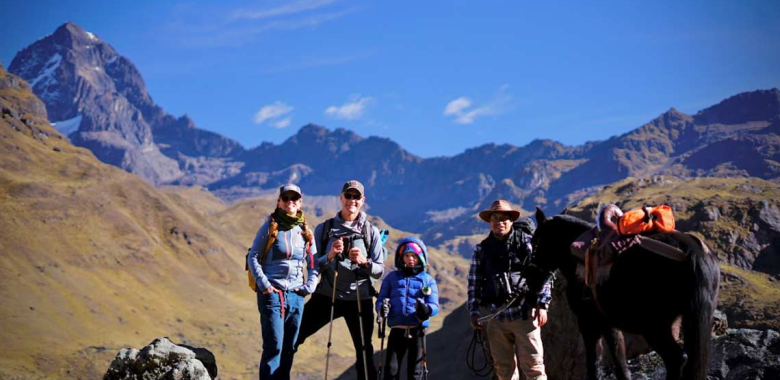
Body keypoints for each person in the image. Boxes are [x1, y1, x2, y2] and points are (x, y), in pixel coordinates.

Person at [293, 180, 385, 380]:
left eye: (356, 197)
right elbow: (313, 264)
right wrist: (330, 255)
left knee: (364, 351)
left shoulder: (371, 232)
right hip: (326, 295)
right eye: (348, 196)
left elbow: (379, 271)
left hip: (359, 299)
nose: (351, 200)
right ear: (341, 198)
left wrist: (363, 261)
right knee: (294, 336)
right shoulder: (324, 229)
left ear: (363, 201)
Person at [467, 200, 553, 380]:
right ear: (489, 222)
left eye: (504, 218)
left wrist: (542, 304)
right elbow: (474, 283)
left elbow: (543, 273)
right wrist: (473, 312)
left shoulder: (527, 243)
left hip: (526, 315)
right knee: (503, 370)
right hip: (495, 318)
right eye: (495, 218)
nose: (500, 222)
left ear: (511, 220)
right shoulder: (481, 249)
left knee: (534, 367)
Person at [247, 184, 319, 380]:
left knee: (289, 348)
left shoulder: (305, 230)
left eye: (294, 199)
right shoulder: (271, 226)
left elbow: (313, 262)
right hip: (273, 294)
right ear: (279, 202)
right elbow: (253, 256)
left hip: (296, 296)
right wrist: (265, 285)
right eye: (285, 199)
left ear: (300, 203)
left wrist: (309, 286)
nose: (290, 202)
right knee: (274, 346)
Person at [376, 237, 439, 380]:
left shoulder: (427, 280)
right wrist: (381, 308)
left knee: (415, 373)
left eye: (414, 256)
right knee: (391, 371)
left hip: (418, 331)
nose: (410, 259)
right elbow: (381, 300)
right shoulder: (391, 278)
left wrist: (427, 310)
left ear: (421, 257)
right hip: (397, 331)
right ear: (401, 257)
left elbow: (434, 305)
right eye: (407, 255)